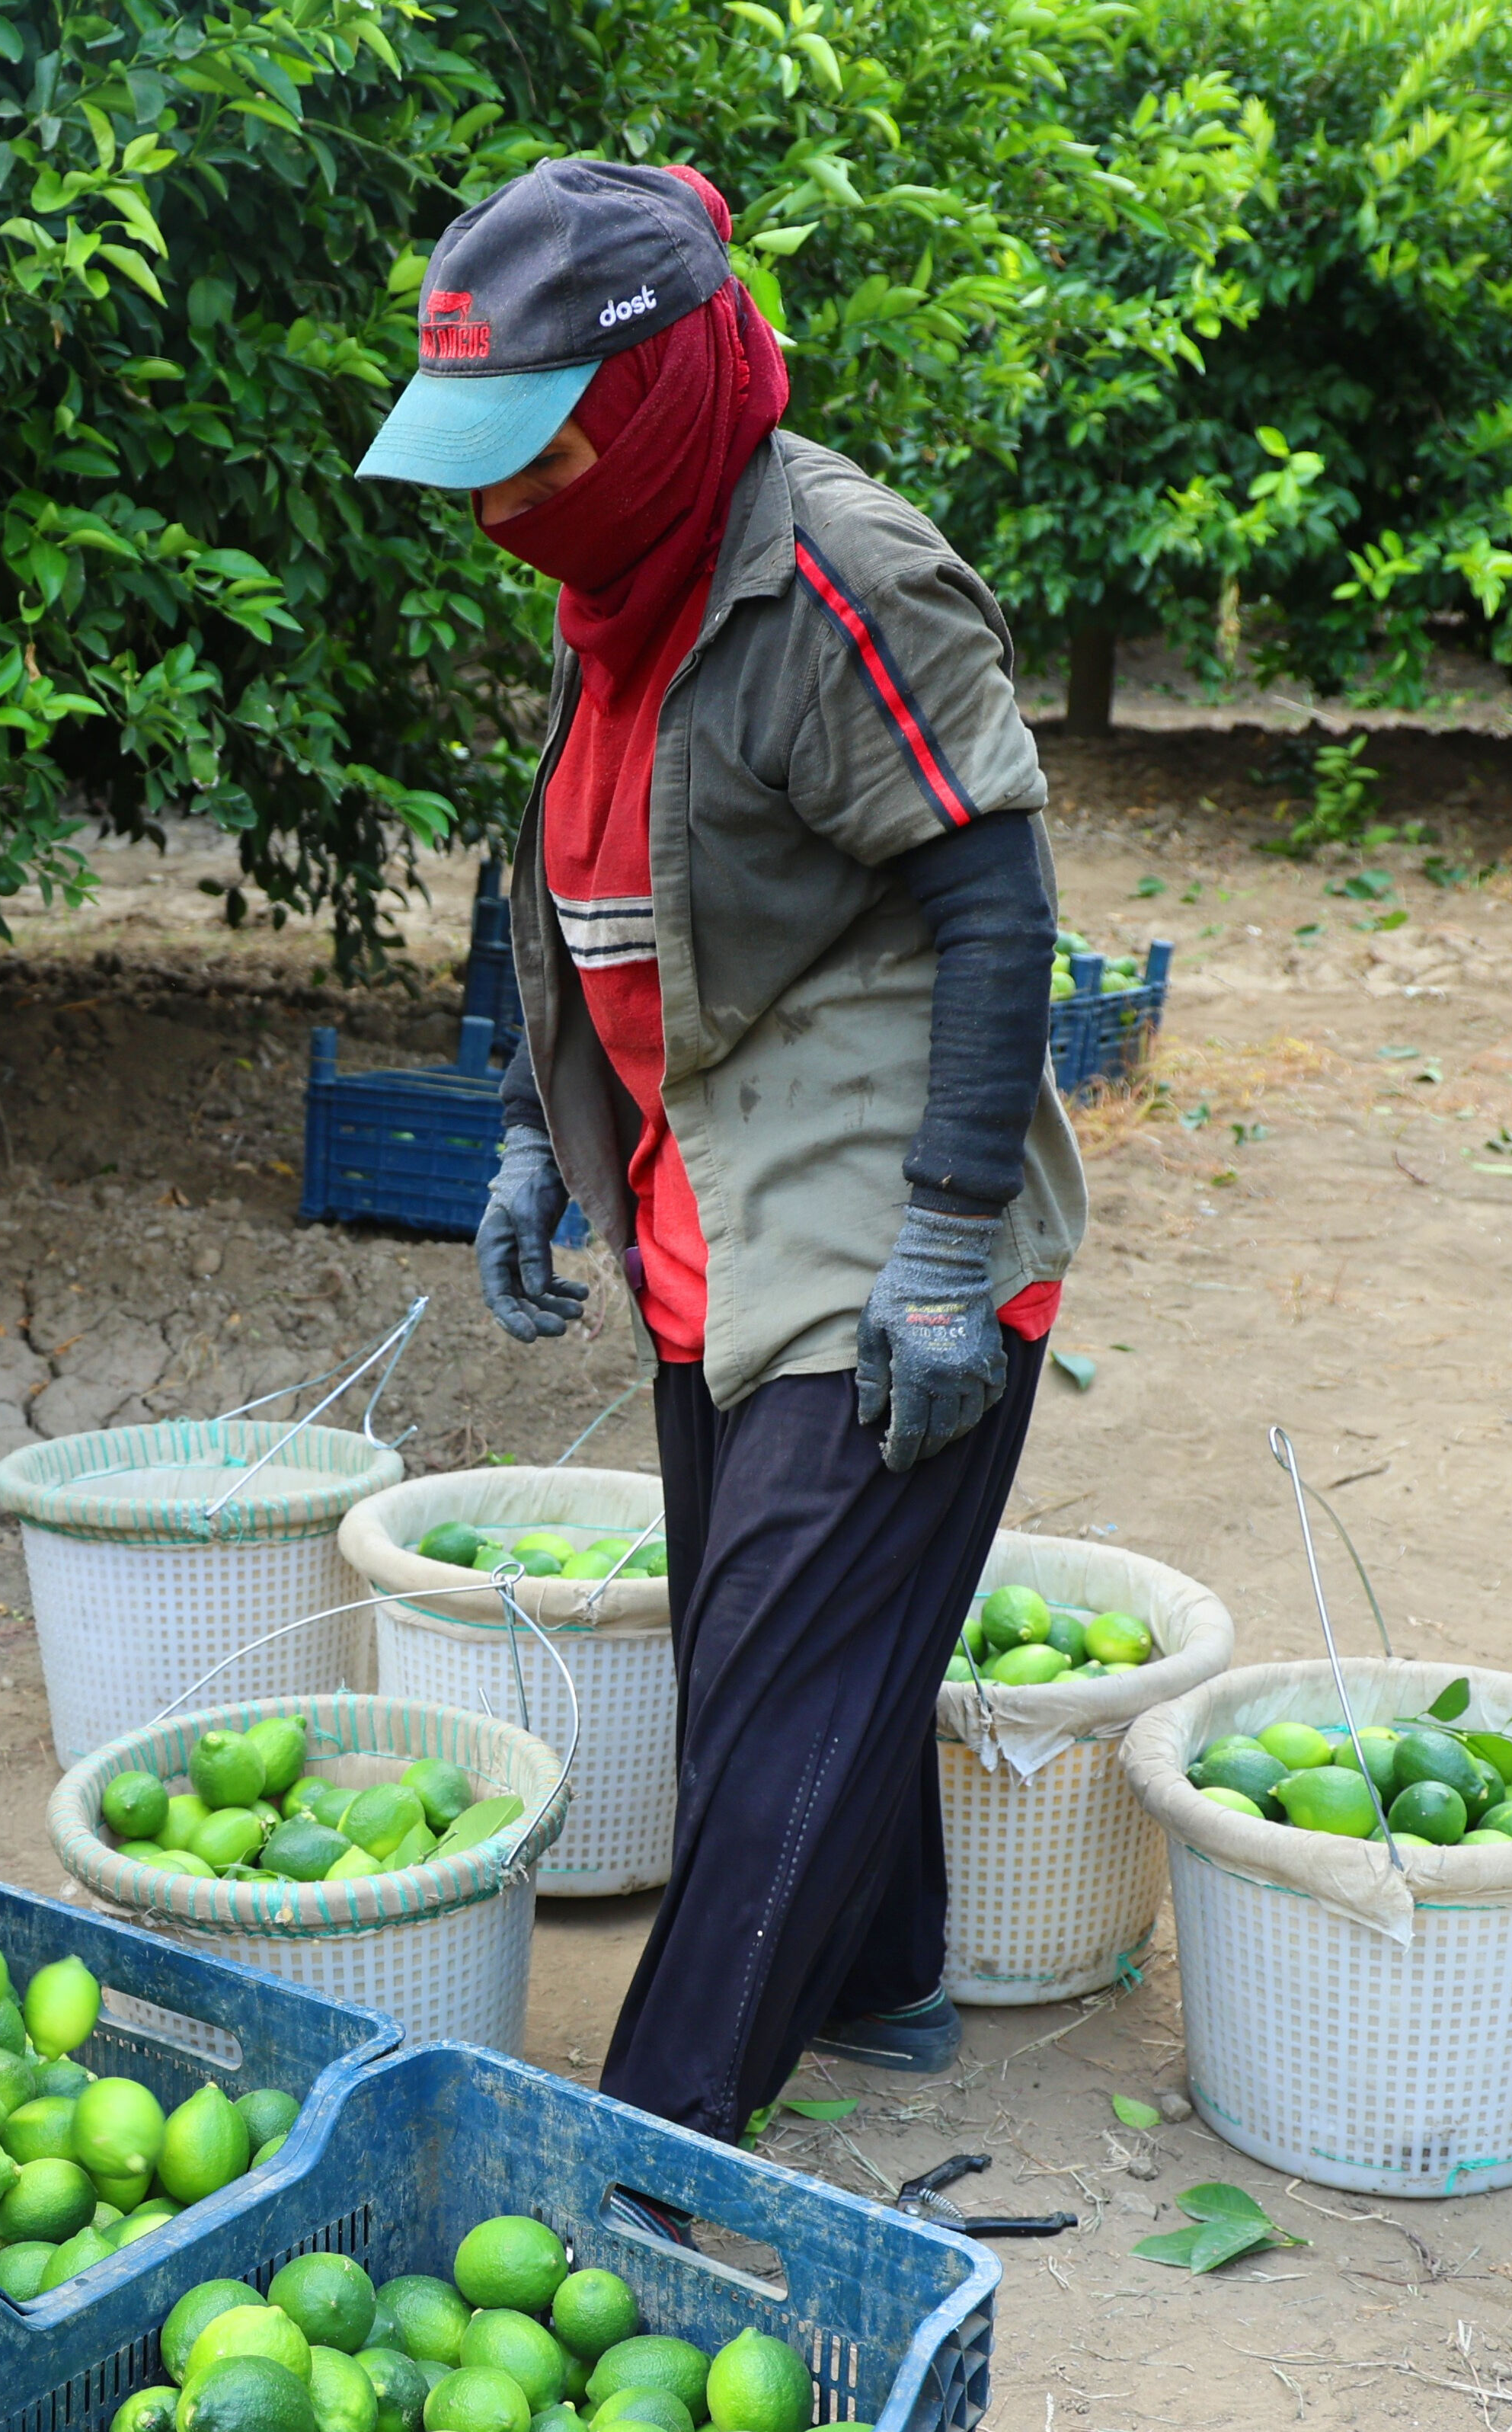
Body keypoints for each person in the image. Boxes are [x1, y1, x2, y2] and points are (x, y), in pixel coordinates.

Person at [357, 159, 1081, 2146]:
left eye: (535, 455)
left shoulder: (831, 569)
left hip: (866, 1208)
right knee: (780, 1639)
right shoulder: (621, 578)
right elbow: (602, 881)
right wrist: (526, 1125)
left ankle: (647, 2147)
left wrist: (943, 1246)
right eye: (477, 466)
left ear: (663, 389)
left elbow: (998, 908)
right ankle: (881, 1977)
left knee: (767, 1704)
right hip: (706, 1196)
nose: (502, 508)